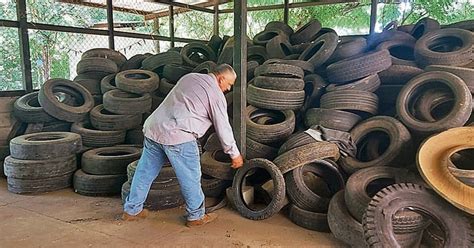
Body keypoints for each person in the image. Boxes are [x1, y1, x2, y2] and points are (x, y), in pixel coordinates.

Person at [122, 64, 244, 227]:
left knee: (144, 171)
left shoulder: (190, 77)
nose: (228, 88)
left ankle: (131, 210)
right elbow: (223, 126)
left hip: (154, 129)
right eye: (228, 84)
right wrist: (234, 153)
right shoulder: (215, 94)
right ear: (220, 78)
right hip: (179, 136)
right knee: (191, 177)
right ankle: (196, 216)